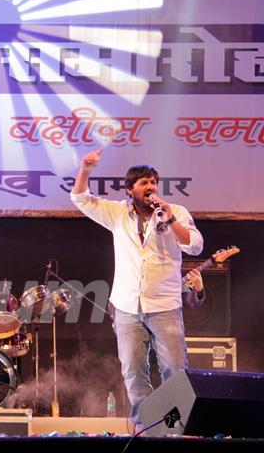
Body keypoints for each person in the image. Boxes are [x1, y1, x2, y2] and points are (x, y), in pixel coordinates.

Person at [70, 148, 203, 427]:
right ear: (130, 189)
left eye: (154, 182)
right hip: (127, 309)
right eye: (143, 182)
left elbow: (195, 244)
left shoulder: (175, 211)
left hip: (165, 306)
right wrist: (85, 168)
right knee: (133, 372)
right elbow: (80, 197)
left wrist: (171, 220)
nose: (151, 186)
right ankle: (146, 428)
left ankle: (173, 428)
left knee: (175, 371)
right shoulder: (117, 213)